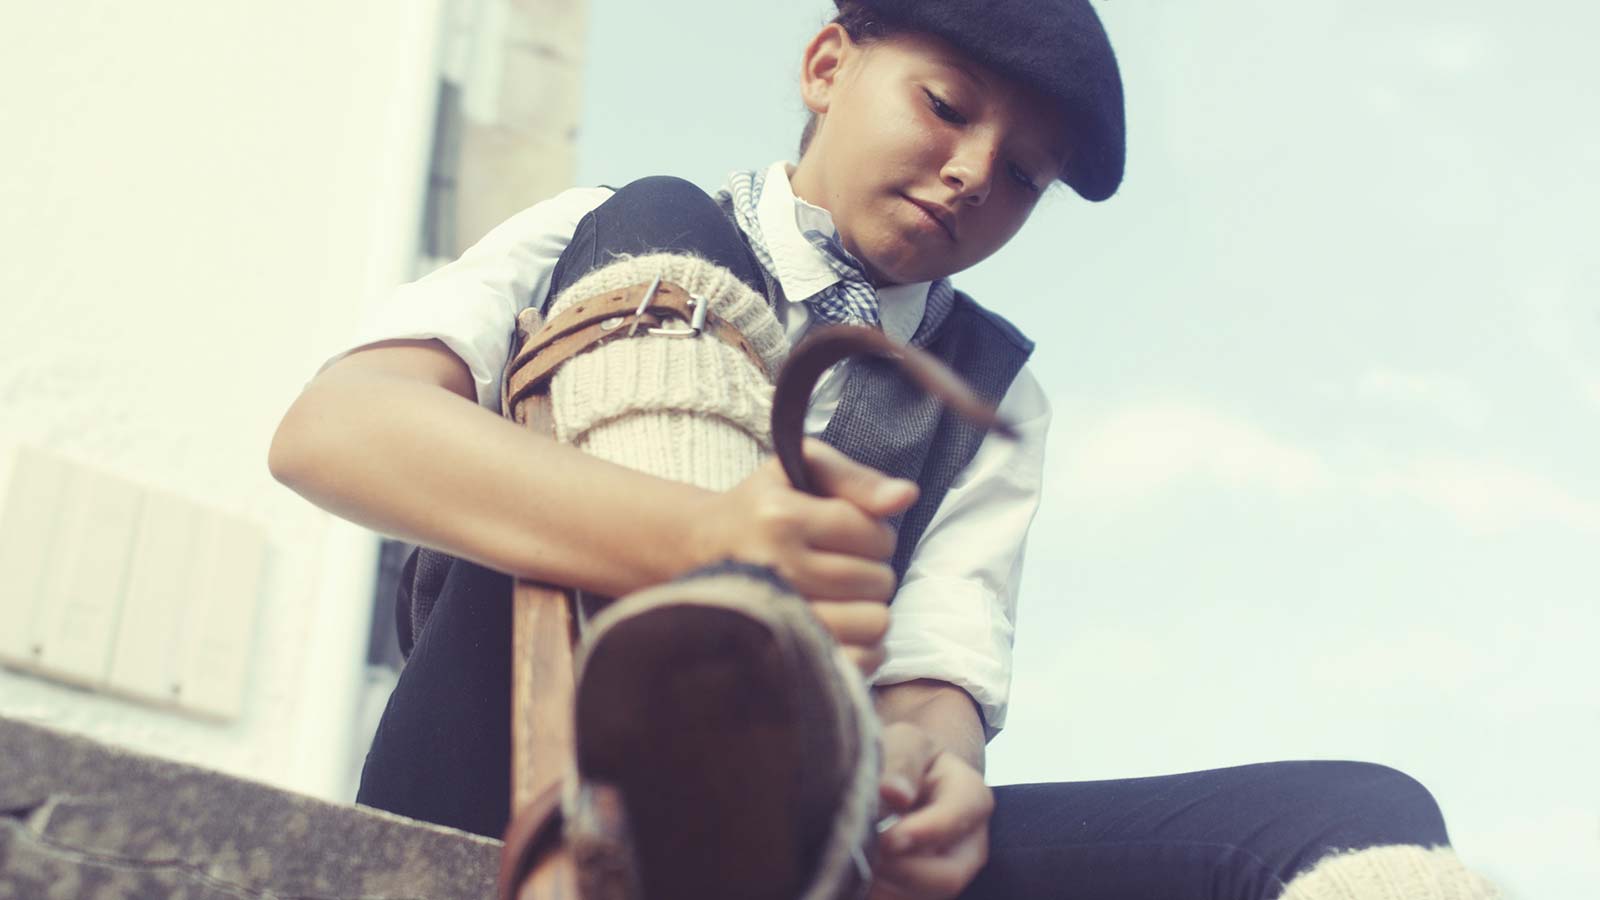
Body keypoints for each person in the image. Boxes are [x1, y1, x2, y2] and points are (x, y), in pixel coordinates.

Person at [269, 1, 1500, 897]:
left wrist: (932, 776)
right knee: (660, 218)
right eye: (946, 107)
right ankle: (707, 724)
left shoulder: (994, 394)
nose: (972, 174)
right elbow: (335, 432)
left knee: (1364, 822)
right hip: (499, 780)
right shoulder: (596, 226)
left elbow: (933, 687)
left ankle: (747, 814)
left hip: (811, 847)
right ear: (824, 64)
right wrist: (704, 539)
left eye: (1023, 176)